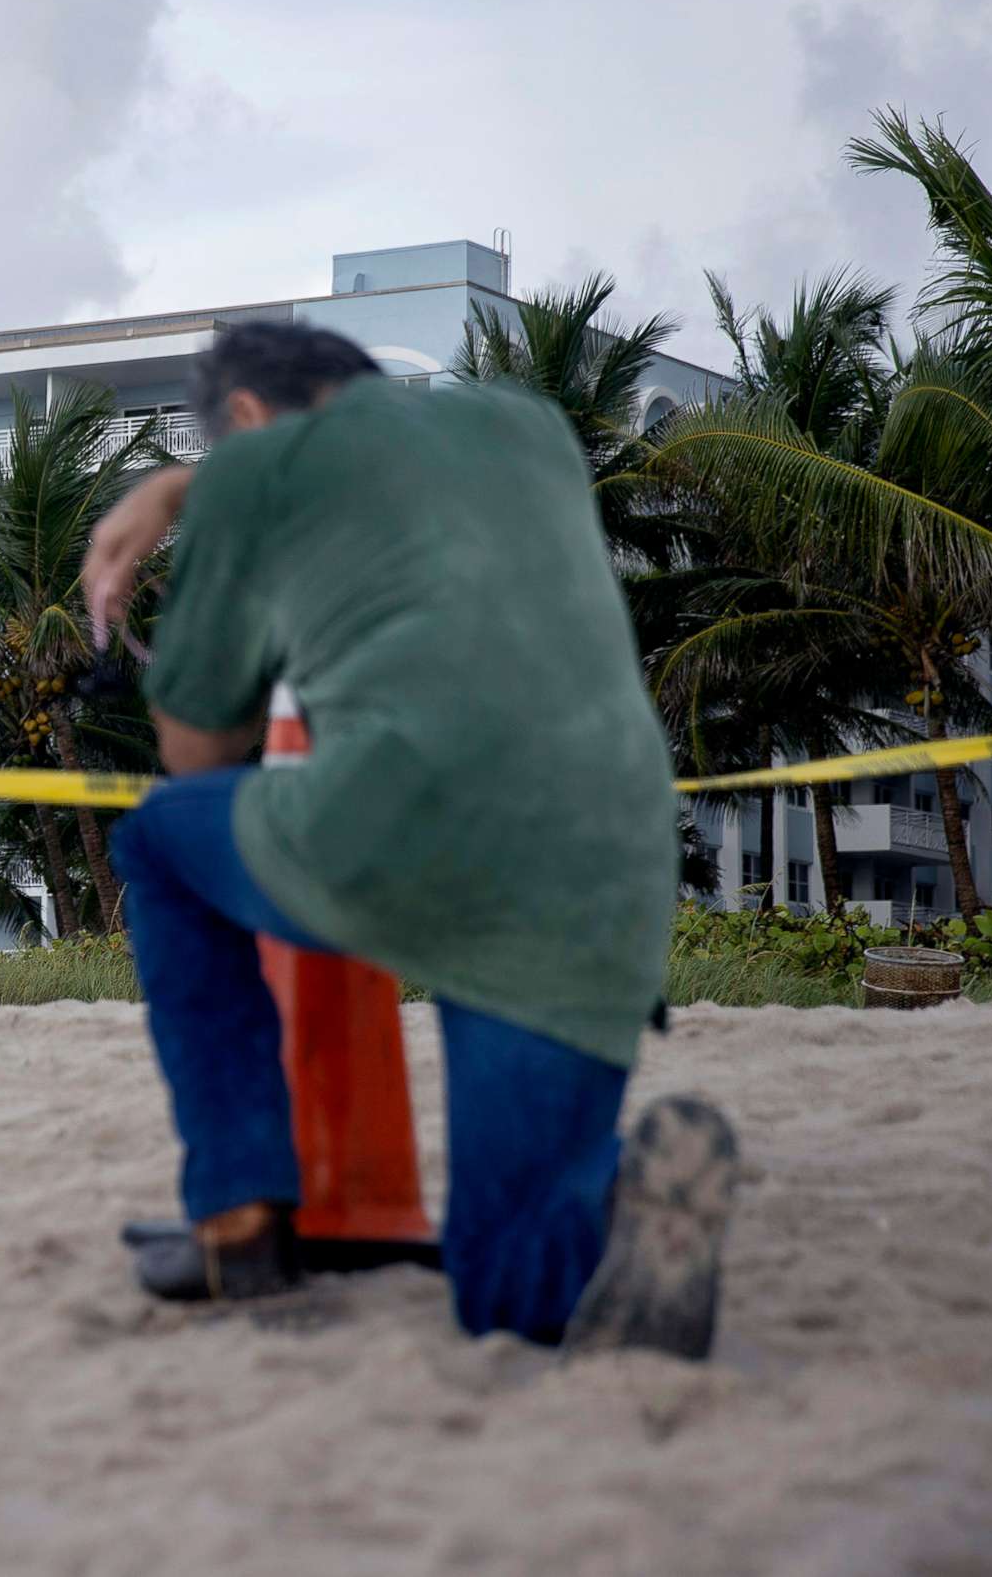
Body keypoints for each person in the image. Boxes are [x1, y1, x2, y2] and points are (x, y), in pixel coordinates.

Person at [80, 322, 738, 1358]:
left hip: (410, 835)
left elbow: (197, 749)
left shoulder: (256, 467)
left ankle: (239, 1224)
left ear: (245, 419)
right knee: (509, 1283)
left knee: (165, 839)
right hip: (609, 866)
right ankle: (609, 1206)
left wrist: (185, 513)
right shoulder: (527, 428)